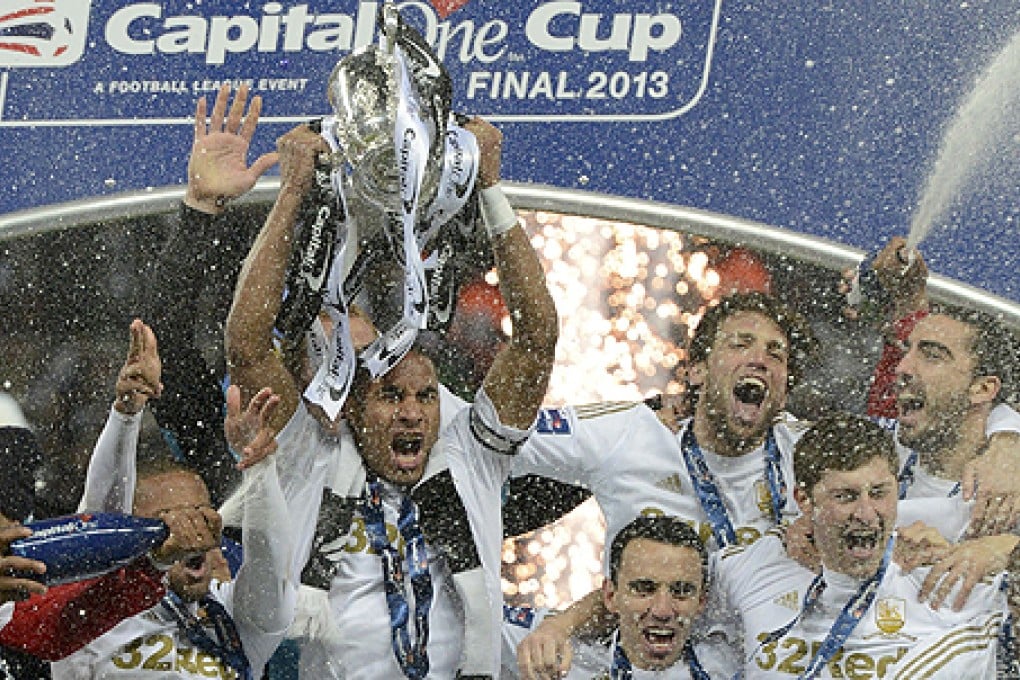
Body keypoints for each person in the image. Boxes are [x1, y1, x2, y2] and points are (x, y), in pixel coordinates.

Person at [224, 112, 558, 678]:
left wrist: (490, 189)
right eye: (389, 396)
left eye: (426, 396)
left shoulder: (469, 453)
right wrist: (294, 192)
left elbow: (536, 338)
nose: (411, 412)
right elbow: (248, 343)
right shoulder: (311, 454)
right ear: (350, 405)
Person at [515, 291, 819, 678]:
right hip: (650, 662)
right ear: (697, 370)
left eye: (776, 353)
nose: (760, 359)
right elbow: (499, 434)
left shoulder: (813, 456)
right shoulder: (634, 435)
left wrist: (920, 534)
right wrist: (560, 625)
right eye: (740, 344)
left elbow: (909, 458)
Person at [50, 319, 295, 679]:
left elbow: (272, 569)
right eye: (168, 519)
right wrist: (127, 414)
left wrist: (259, 468)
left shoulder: (233, 621)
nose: (191, 530)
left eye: (199, 513)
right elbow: (98, 520)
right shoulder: (93, 615)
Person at [715, 412, 1008, 679]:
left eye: (879, 493)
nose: (866, 514)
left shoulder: (944, 581)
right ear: (804, 500)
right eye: (845, 496)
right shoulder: (750, 567)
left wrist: (1001, 549)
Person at [503, 516, 710, 679]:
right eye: (644, 589)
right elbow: (476, 616)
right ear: (610, 596)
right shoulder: (559, 654)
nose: (662, 611)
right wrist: (555, 625)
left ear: (701, 601)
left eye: (681, 591)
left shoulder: (730, 662)